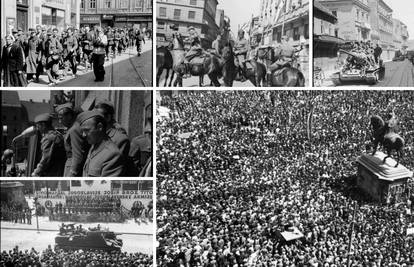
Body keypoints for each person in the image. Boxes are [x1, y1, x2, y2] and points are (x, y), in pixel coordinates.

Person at [78, 110, 125, 177]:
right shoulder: (94, 145)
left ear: (100, 127)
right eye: (82, 131)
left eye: (87, 130)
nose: (83, 135)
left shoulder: (112, 154)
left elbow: (106, 186)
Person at [56, 103, 90, 177]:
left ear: (69, 116)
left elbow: (78, 156)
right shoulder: (74, 127)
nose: (59, 121)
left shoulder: (74, 129)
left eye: (61, 118)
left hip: (72, 166)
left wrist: (72, 173)